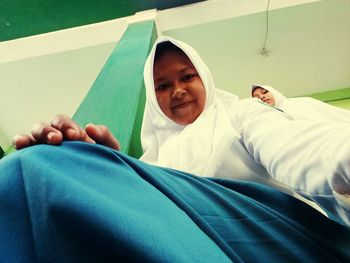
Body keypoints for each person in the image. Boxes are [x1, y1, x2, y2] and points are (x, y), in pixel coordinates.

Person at [3, 36, 350, 261]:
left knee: (31, 171)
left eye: (187, 77)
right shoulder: (152, 163)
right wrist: (98, 167)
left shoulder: (240, 116)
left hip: (278, 244)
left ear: (205, 79)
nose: (178, 91)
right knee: (34, 174)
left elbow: (301, 151)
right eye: (163, 86)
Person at [251, 84, 350, 122]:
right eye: (257, 98)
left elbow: (334, 116)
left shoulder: (302, 102)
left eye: (264, 92)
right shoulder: (271, 121)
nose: (262, 97)